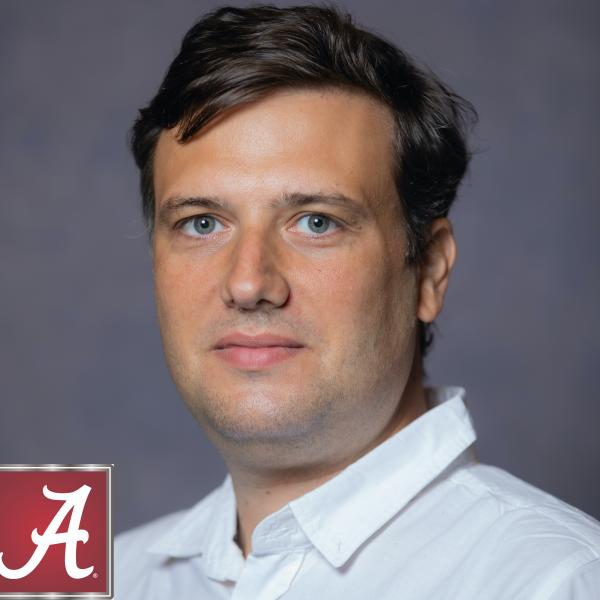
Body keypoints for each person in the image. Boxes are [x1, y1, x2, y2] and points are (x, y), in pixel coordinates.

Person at [115, 4, 600, 598]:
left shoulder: (556, 582)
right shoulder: (99, 576)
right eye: (201, 223)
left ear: (429, 271)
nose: (247, 284)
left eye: (316, 222)